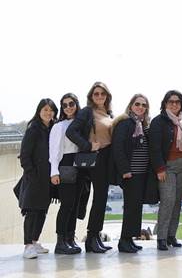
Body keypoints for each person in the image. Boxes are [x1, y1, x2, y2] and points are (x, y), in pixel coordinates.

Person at [66, 82, 114, 253]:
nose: (99, 96)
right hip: (96, 158)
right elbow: (71, 132)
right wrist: (87, 145)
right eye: (96, 94)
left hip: (107, 158)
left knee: (102, 199)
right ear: (91, 96)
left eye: (102, 93)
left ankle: (95, 237)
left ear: (107, 96)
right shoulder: (87, 112)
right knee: (99, 198)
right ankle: (91, 238)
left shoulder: (109, 113)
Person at [149, 90, 182, 251]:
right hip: (167, 166)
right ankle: (161, 238)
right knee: (168, 201)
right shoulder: (158, 121)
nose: (174, 104)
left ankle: (171, 235)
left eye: (177, 101)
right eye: (171, 101)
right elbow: (154, 148)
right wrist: (160, 168)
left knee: (177, 202)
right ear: (165, 104)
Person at [112, 93, 155, 253]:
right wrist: (125, 170)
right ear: (131, 106)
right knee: (131, 207)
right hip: (131, 173)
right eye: (138, 104)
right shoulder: (125, 124)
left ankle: (130, 238)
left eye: (144, 105)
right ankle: (124, 241)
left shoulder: (142, 125)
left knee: (136, 207)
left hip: (141, 173)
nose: (140, 107)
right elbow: (118, 148)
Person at [17, 98, 58, 259]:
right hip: (34, 178)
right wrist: (32, 175)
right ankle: (28, 245)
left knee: (42, 211)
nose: (48, 113)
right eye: (45, 109)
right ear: (39, 111)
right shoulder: (33, 129)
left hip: (48, 178)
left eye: (51, 110)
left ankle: (35, 241)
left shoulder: (52, 129)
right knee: (32, 211)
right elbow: (25, 155)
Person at [49, 93, 83, 254]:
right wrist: (54, 172)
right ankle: (60, 242)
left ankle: (70, 238)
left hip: (81, 166)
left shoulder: (82, 123)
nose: (68, 107)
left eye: (71, 104)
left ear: (77, 104)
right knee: (67, 205)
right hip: (65, 165)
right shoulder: (59, 126)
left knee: (75, 206)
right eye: (65, 105)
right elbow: (54, 151)